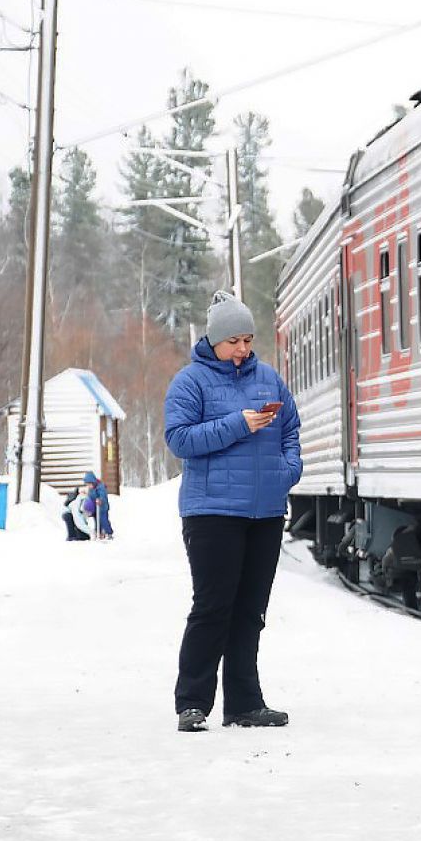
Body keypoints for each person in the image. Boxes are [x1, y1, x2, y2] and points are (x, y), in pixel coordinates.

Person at [163, 291, 301, 734]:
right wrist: (238, 424)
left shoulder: (269, 379)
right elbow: (180, 439)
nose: (243, 348)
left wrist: (288, 472)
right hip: (212, 513)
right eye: (234, 341)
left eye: (248, 339)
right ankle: (192, 703)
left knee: (250, 611)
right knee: (213, 607)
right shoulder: (190, 382)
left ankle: (244, 703)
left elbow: (292, 430)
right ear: (214, 340)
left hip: (264, 513)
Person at [82, 471, 114, 540]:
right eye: (87, 485)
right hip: (96, 508)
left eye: (89, 484)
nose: (89, 486)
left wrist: (100, 499)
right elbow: (91, 496)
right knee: (97, 520)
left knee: (103, 520)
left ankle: (109, 533)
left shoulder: (100, 487)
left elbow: (103, 495)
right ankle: (99, 532)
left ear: (93, 482)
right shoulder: (91, 488)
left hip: (103, 507)